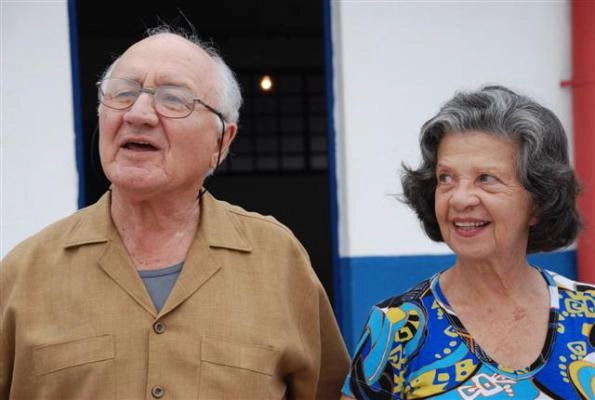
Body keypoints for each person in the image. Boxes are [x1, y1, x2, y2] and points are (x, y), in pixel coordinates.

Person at [0, 26, 350, 399]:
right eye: (122, 93)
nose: (139, 114)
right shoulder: (24, 272)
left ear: (222, 141)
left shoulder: (277, 258)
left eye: (173, 99)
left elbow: (322, 392)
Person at [341, 85, 595, 399]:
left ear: (538, 201)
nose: (459, 199)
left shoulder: (589, 314)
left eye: (486, 178)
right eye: (446, 178)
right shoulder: (397, 327)